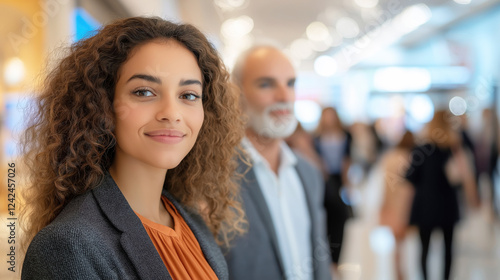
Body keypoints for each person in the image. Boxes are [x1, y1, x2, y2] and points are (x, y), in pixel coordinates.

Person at [20, 17, 246, 279]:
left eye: (188, 95)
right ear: (103, 105)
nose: (171, 114)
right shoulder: (67, 246)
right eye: (144, 92)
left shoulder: (191, 222)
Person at [224, 46, 332, 280]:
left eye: (290, 83)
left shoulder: (308, 173)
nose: (284, 97)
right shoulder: (215, 176)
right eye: (267, 84)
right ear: (236, 92)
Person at [406, 110, 472, 280]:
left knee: (424, 248)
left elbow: (410, 176)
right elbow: (462, 178)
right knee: (448, 249)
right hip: (447, 205)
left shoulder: (422, 149)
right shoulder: (454, 148)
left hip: (425, 205)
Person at [312, 107, 353, 270]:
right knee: (325, 219)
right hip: (323, 181)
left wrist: (348, 184)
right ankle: (325, 259)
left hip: (338, 181)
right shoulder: (316, 137)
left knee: (340, 218)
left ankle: (336, 260)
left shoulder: (345, 135)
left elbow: (347, 160)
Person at [379, 130, 415, 280]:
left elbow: (385, 184)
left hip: (392, 203)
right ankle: (402, 272)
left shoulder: (390, 157)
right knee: (405, 243)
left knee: (397, 243)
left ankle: (398, 272)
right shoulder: (411, 158)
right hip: (407, 204)